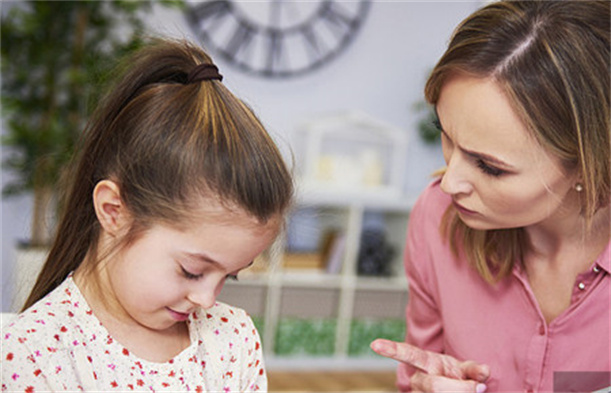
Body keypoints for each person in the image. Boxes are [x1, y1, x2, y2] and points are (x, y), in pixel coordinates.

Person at [1, 38, 293, 392]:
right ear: (114, 212)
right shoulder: (33, 353)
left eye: (229, 276)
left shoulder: (232, 339)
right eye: (193, 271)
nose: (207, 299)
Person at [371, 1, 610, 392]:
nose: (450, 183)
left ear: (588, 163)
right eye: (446, 135)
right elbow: (417, 379)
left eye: (490, 167)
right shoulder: (437, 217)